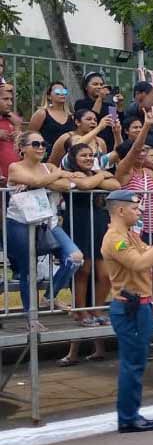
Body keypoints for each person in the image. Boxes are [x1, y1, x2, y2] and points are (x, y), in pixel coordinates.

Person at [101, 189, 153, 433]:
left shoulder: (129, 235)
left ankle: (131, 414)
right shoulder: (116, 238)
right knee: (132, 364)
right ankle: (127, 418)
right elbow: (141, 263)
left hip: (140, 305)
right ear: (121, 210)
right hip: (129, 308)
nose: (140, 211)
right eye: (135, 209)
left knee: (136, 362)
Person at [5, 132, 85, 327]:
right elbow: (41, 181)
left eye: (43, 143)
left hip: (48, 222)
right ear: (22, 148)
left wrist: (46, 178)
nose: (41, 147)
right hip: (20, 223)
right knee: (28, 270)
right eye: (35, 144)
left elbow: (68, 184)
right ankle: (31, 317)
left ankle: (49, 297)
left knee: (75, 257)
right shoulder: (15, 167)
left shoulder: (48, 167)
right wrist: (58, 175)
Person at [115, 109, 153, 319]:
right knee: (139, 268)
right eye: (139, 151)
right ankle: (139, 308)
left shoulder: (148, 172)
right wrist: (147, 126)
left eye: (145, 152)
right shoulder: (124, 172)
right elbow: (132, 153)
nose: (142, 154)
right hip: (134, 229)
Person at [60, 142, 121, 335]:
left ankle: (97, 307)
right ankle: (80, 310)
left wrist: (99, 175)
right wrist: (101, 176)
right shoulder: (68, 173)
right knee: (83, 271)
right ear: (73, 159)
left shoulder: (94, 173)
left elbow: (116, 184)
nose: (88, 159)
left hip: (99, 222)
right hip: (79, 222)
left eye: (90, 155)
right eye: (83, 156)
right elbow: (84, 185)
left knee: (105, 273)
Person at [48, 108, 116, 167]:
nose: (93, 122)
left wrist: (117, 133)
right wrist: (99, 128)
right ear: (77, 122)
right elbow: (53, 162)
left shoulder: (100, 142)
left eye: (95, 120)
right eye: (89, 119)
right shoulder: (66, 137)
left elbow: (104, 164)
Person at [28, 81, 75, 155]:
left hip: (67, 156)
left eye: (64, 91)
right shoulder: (42, 113)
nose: (62, 94)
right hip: (46, 155)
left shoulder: (71, 117)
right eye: (58, 92)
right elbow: (30, 135)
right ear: (49, 96)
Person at [0, 83, 20, 183]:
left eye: (11, 99)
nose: (10, 103)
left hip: (13, 181)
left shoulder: (11, 120)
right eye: (5, 99)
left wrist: (18, 129)